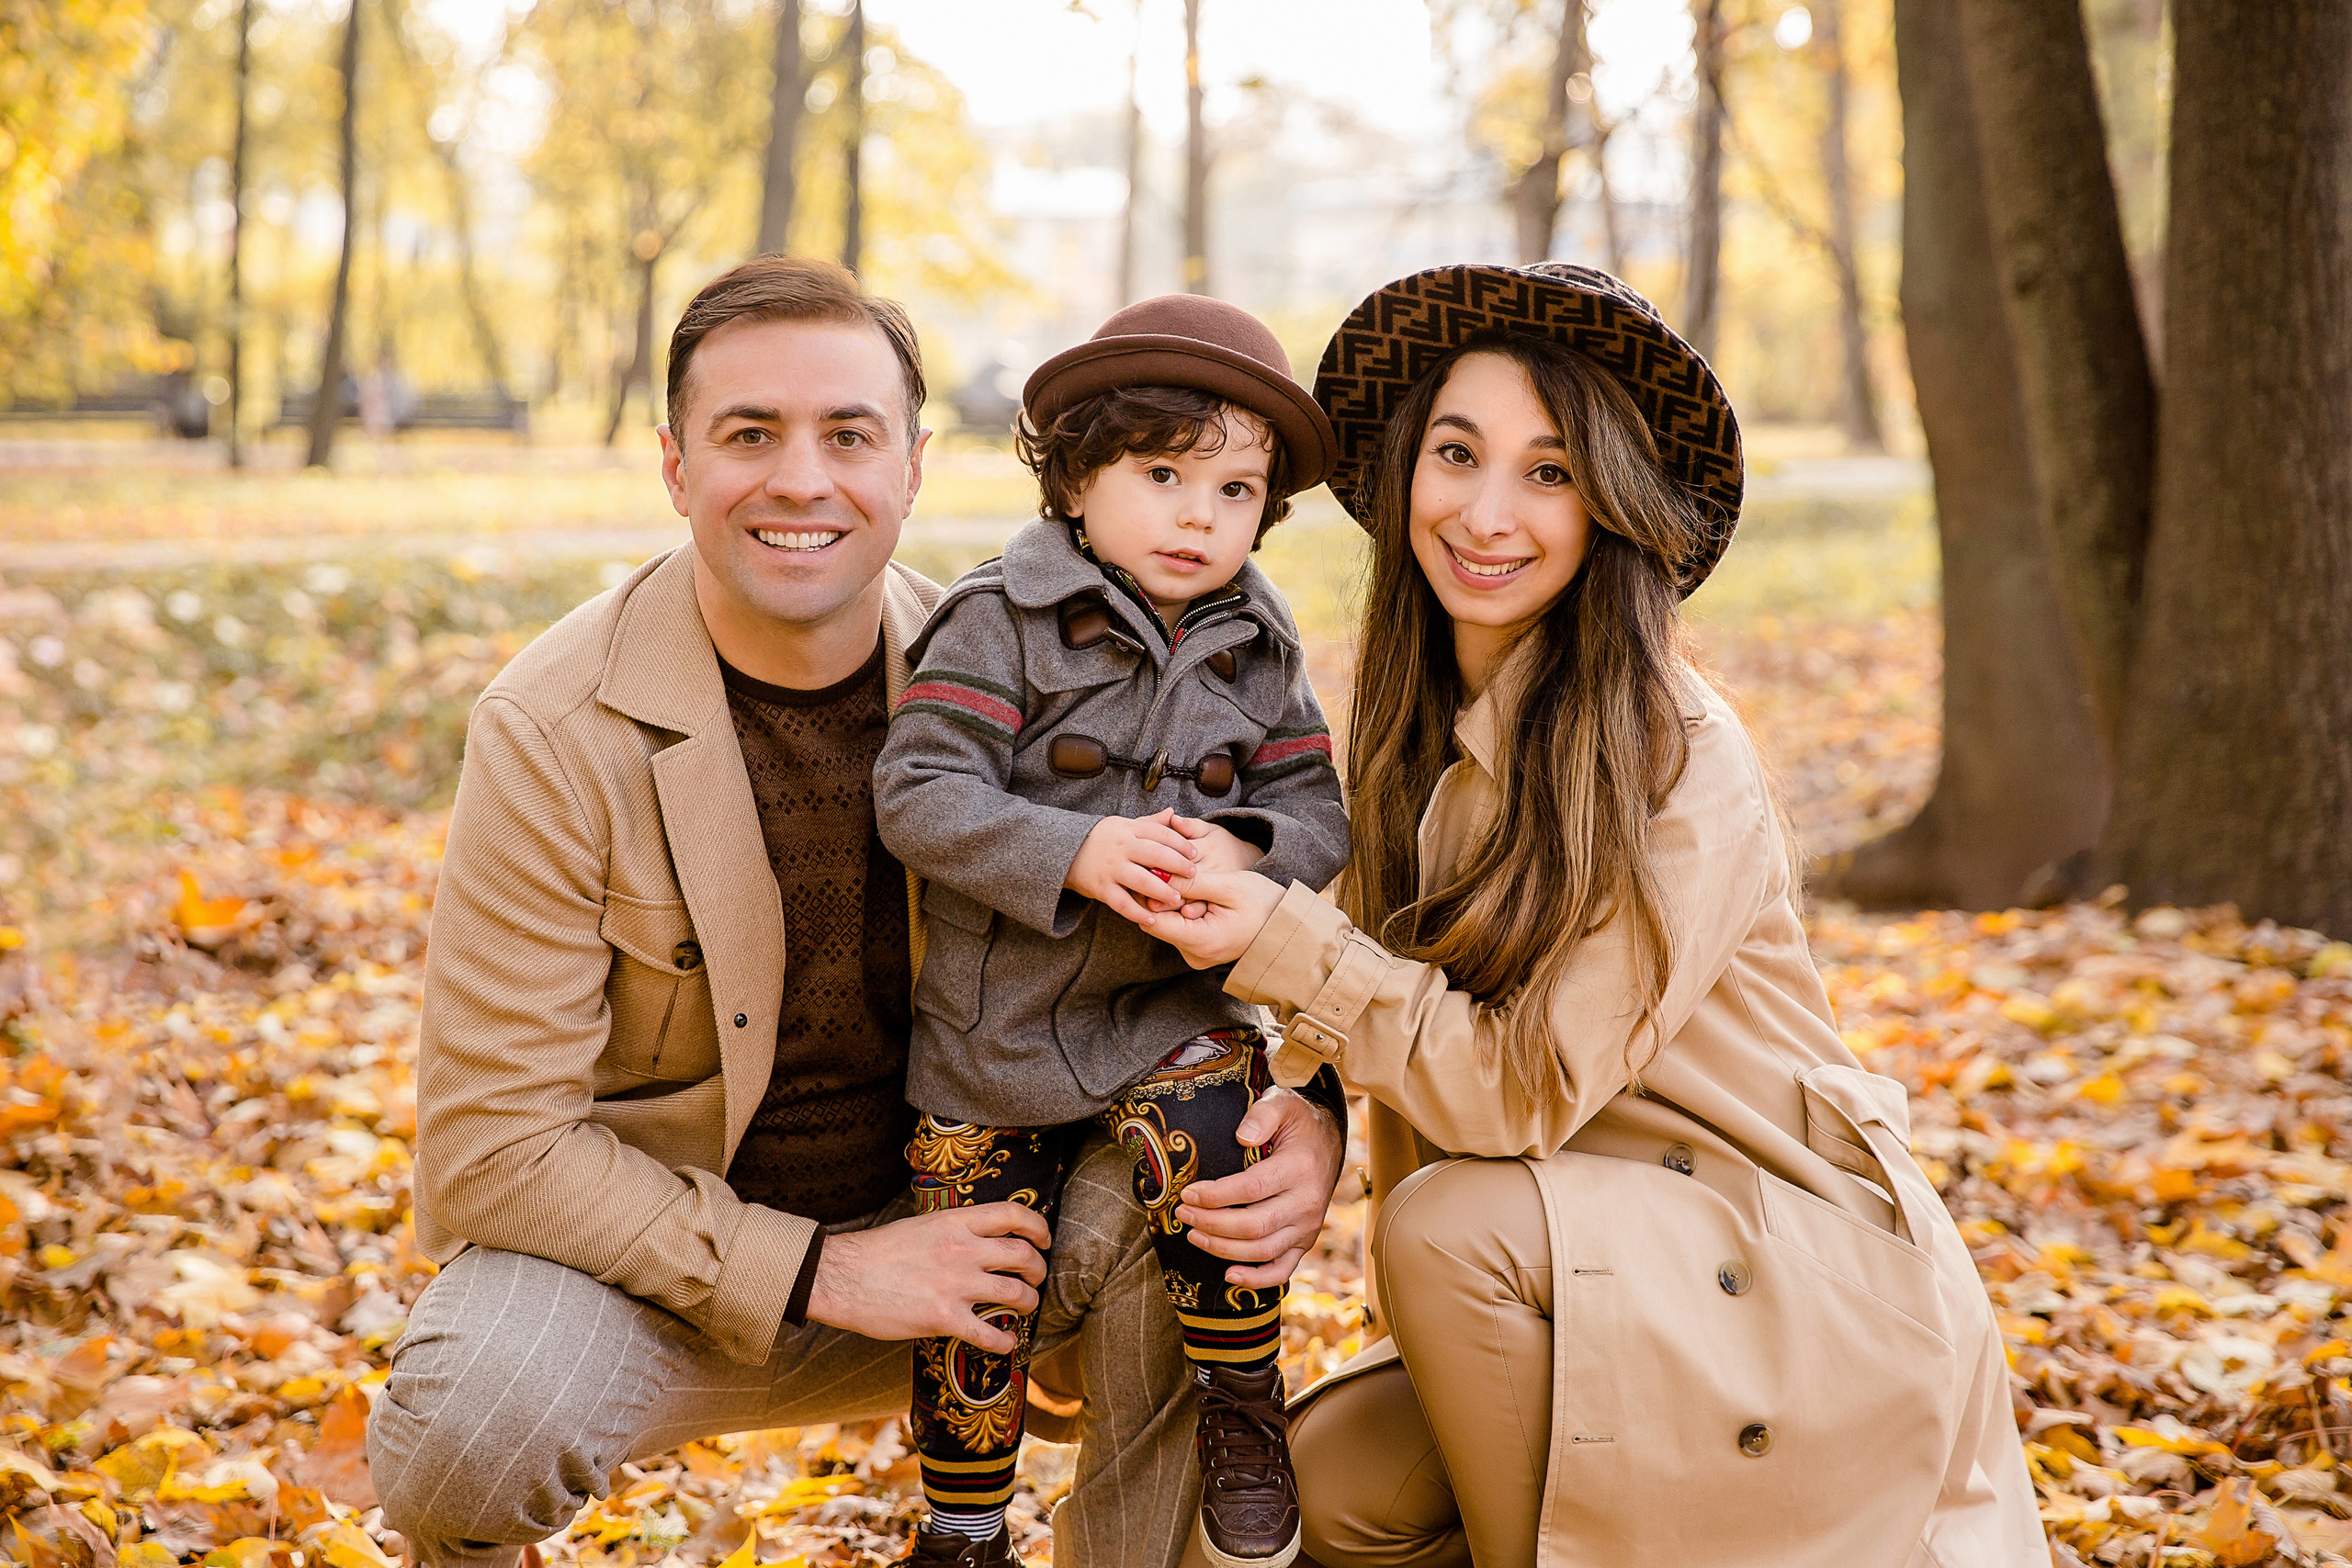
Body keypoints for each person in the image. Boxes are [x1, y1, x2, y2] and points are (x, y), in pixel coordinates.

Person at [365, 256, 1348, 1568]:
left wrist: (1322, 1114)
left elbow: (1246, 922)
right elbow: (490, 1152)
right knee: (465, 1429)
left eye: (848, 434)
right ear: (672, 464)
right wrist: (826, 1270)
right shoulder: (554, 731)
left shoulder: (1031, 666)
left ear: (915, 465)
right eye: (749, 434)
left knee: (1194, 1197)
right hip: (672, 1272)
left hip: (994, 1227)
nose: (802, 480)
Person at [1146, 263, 2046, 1567]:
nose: (1487, 513)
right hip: (1592, 1271)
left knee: (1446, 1232)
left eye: (1551, 472)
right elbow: (1403, 992)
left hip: (1787, 1283)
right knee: (1317, 1497)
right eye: (1458, 454)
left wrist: (1278, 938)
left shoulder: (1676, 752)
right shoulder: (1414, 729)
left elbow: (1514, 1089)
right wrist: (1320, 1106)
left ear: (1609, 505)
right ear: (1407, 472)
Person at [873, 295, 1351, 1568]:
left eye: (1238, 489)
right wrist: (1075, 848)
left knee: (1227, 1136)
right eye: (1163, 475)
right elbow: (918, 791)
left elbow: (1316, 808)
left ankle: (1243, 1401)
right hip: (997, 1028)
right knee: (980, 1285)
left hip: (1161, 1010)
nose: (1203, 515)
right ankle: (963, 1522)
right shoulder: (1000, 618)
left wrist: (1246, 849)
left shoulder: (1259, 642)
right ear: (1078, 477)